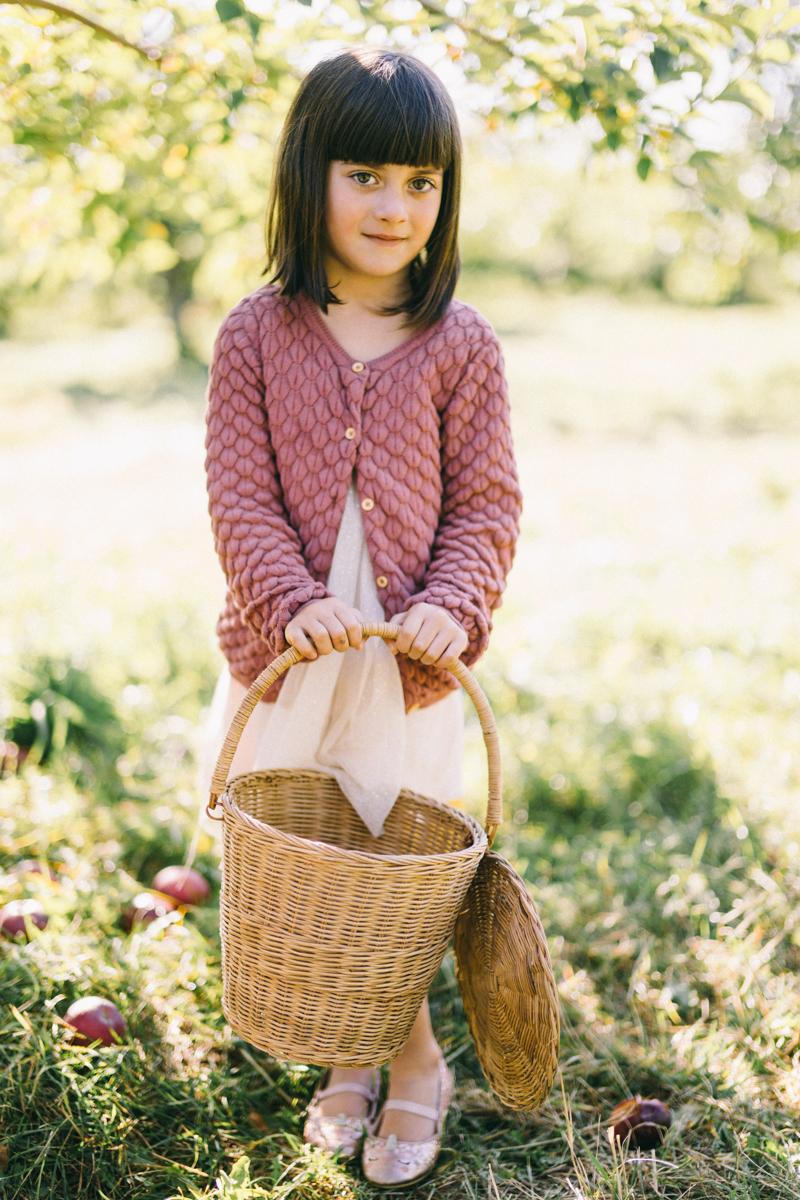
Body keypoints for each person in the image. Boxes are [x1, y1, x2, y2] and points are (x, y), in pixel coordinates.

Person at [202, 45, 521, 1188]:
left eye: (421, 183)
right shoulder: (255, 332)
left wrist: (451, 604)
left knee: (389, 856)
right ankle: (355, 1054)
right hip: (292, 652)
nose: (396, 206)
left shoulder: (458, 342)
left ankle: (412, 1059)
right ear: (310, 174)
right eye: (366, 176)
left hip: (405, 664)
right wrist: (287, 600)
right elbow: (237, 496)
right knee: (315, 849)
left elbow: (486, 505)